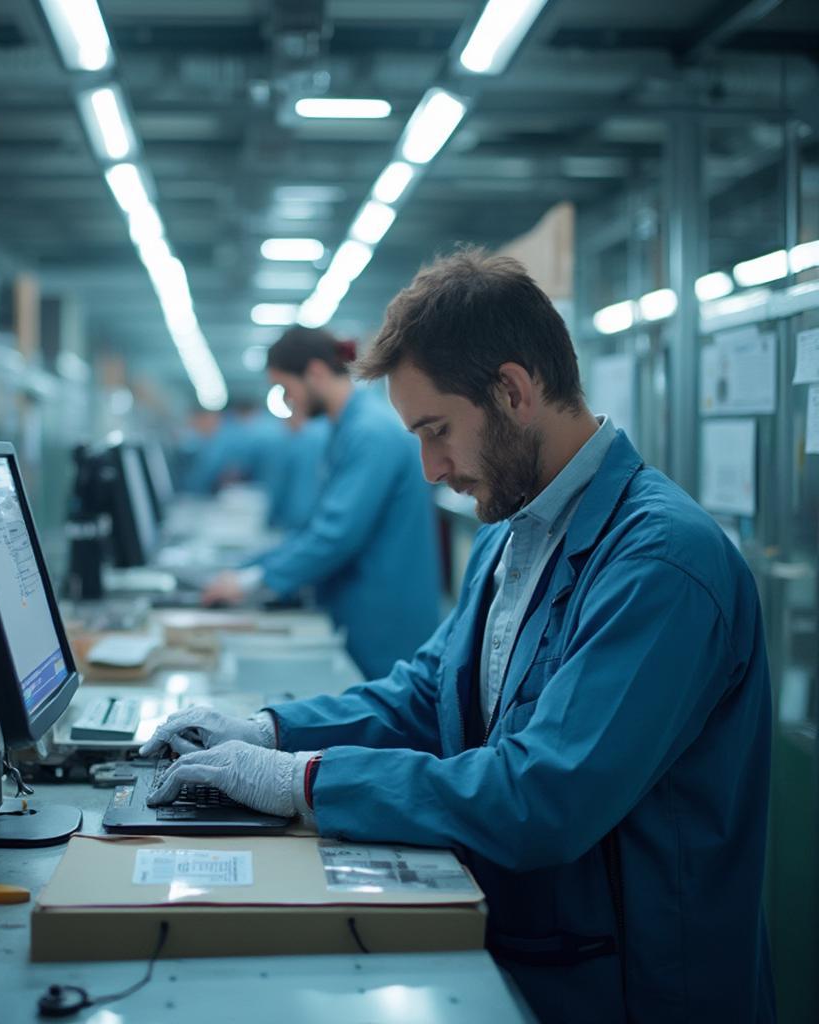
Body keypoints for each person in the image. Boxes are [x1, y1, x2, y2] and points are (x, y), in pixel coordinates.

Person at [142, 249, 775, 1023]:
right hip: (526, 947)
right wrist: (268, 730)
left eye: (437, 430)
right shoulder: (514, 536)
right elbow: (426, 694)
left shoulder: (663, 564)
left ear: (512, 391)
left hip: (632, 990)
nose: (432, 468)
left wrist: (303, 781)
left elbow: (544, 795)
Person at [200, 326, 442, 680]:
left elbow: (334, 534)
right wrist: (247, 569)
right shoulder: (345, 429)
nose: (286, 401)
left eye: (285, 389)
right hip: (361, 610)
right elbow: (316, 527)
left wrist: (250, 581)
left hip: (384, 620)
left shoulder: (370, 433)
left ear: (314, 373)